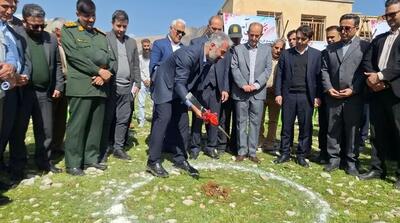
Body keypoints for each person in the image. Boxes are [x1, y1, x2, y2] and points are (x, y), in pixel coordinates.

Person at [147, 32, 232, 178]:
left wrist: (201, 108)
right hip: (165, 86)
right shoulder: (189, 54)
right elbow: (179, 84)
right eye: (222, 52)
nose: (223, 56)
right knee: (164, 119)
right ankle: (153, 161)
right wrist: (194, 107)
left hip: (180, 89)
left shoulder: (210, 59)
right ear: (212, 46)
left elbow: (195, 85)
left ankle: (180, 159)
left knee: (183, 123)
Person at [62, 0, 114, 176]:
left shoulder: (101, 35)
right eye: (86, 16)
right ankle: (73, 163)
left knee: (95, 125)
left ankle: (91, 159)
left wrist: (105, 74)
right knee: (77, 126)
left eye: (93, 16)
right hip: (81, 87)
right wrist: (98, 70)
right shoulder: (69, 31)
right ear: (77, 14)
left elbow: (111, 59)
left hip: (100, 88)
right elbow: (75, 56)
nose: (91, 20)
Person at [11, 3, 64, 175]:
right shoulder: (16, 35)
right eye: (35, 25)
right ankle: (18, 166)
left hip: (44, 92)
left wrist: (58, 85)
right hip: (23, 92)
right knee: (19, 131)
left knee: (46, 130)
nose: (40, 28)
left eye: (42, 25)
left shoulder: (51, 39)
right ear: (25, 21)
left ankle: (44, 162)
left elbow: (56, 64)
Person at [321, 14, 369, 176]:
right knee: (332, 129)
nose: (343, 31)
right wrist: (328, 88)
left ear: (356, 28)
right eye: (341, 27)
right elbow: (324, 70)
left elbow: (365, 71)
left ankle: (350, 162)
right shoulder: (331, 48)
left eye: (347, 28)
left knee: (352, 130)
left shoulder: (364, 46)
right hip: (333, 96)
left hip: (353, 97)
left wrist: (354, 89)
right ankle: (333, 159)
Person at [360, 0, 400, 189]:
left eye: (393, 14)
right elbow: (367, 60)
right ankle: (377, 168)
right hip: (376, 93)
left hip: (396, 94)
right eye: (387, 15)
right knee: (376, 133)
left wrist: (381, 77)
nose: (390, 18)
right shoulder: (379, 38)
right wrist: (371, 79)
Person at [274, 25, 322, 168]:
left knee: (305, 127)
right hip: (289, 95)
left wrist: (318, 96)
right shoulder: (286, 54)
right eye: (298, 38)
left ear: (309, 39)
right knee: (286, 126)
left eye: (303, 39)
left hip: (306, 96)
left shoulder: (316, 55)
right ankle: (285, 153)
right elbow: (279, 76)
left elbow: (319, 78)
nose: (299, 41)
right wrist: (278, 93)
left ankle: (302, 155)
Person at [100, 10, 140, 162]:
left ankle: (118, 148)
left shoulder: (131, 42)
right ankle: (103, 149)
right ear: (112, 24)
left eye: (124, 26)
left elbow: (135, 64)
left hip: (127, 87)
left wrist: (137, 83)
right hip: (110, 86)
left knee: (123, 119)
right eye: (119, 26)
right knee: (108, 118)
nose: (122, 29)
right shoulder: (104, 38)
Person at [189, 15, 230, 160]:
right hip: (200, 88)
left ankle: (211, 147)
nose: (216, 31)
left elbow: (226, 69)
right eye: (214, 28)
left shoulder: (225, 44)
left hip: (216, 89)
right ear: (208, 26)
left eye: (220, 29)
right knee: (198, 118)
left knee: (214, 119)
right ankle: (194, 146)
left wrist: (225, 88)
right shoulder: (196, 42)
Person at [231, 22, 272, 164]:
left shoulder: (267, 50)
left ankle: (252, 152)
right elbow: (234, 68)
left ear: (261, 35)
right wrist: (243, 85)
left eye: (257, 35)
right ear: (247, 33)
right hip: (241, 92)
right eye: (252, 34)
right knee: (241, 122)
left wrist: (255, 85)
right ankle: (242, 151)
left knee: (255, 123)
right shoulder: (238, 49)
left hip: (258, 93)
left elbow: (268, 70)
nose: (254, 38)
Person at [316, 25, 341, 164]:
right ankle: (323, 153)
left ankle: (339, 155)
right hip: (326, 95)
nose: (330, 40)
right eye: (328, 37)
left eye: (333, 37)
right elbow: (320, 75)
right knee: (324, 126)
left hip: (344, 95)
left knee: (339, 128)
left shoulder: (345, 51)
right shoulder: (324, 53)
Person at [218, 23, 242, 155]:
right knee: (224, 118)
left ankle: (233, 145)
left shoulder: (244, 51)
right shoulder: (224, 50)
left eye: (237, 38)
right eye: (232, 38)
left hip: (239, 91)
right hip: (225, 91)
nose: (235, 40)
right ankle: (222, 144)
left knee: (237, 119)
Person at [259, 39, 285, 153]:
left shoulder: (283, 61)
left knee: (273, 120)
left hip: (275, 95)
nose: (278, 51)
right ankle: (259, 141)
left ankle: (270, 142)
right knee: (259, 119)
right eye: (276, 48)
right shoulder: (264, 58)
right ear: (272, 47)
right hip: (262, 92)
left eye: (281, 49)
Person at [48, 17, 68, 156]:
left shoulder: (64, 44)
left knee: (61, 118)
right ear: (57, 30)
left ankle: (57, 145)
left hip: (66, 85)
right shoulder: (49, 43)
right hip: (54, 86)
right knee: (51, 118)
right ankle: (47, 148)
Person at [137, 38, 151, 128]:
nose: (146, 48)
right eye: (144, 46)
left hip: (152, 82)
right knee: (141, 103)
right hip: (142, 82)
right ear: (142, 46)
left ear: (150, 45)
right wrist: (144, 80)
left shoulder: (154, 57)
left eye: (148, 46)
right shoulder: (139, 58)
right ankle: (141, 121)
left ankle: (155, 120)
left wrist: (150, 80)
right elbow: (138, 70)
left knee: (154, 102)